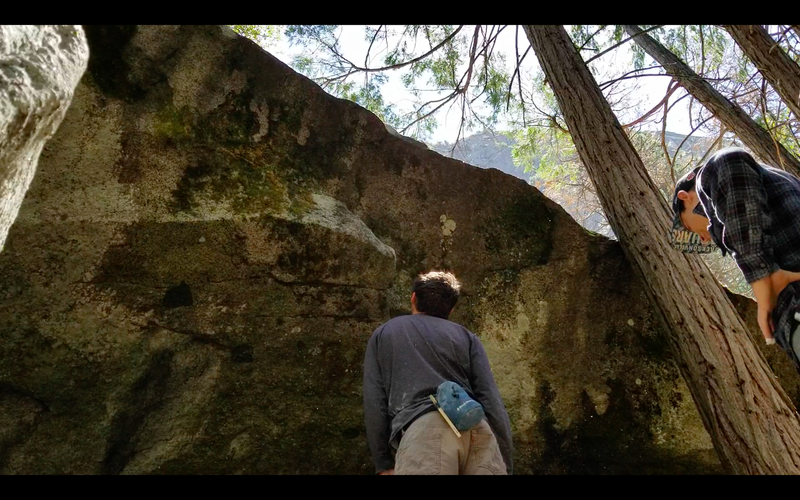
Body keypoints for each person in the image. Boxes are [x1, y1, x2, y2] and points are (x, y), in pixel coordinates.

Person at [362, 271, 513, 475]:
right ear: (450, 309)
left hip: (425, 432)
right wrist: (503, 459)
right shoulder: (466, 337)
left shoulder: (385, 333)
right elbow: (492, 401)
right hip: (478, 430)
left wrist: (383, 461)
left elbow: (375, 401)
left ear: (413, 298)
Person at [671, 147, 800, 370]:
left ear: (685, 198)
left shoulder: (711, 172)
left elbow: (730, 160)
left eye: (689, 227)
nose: (702, 239)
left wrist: (764, 281)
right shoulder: (780, 180)